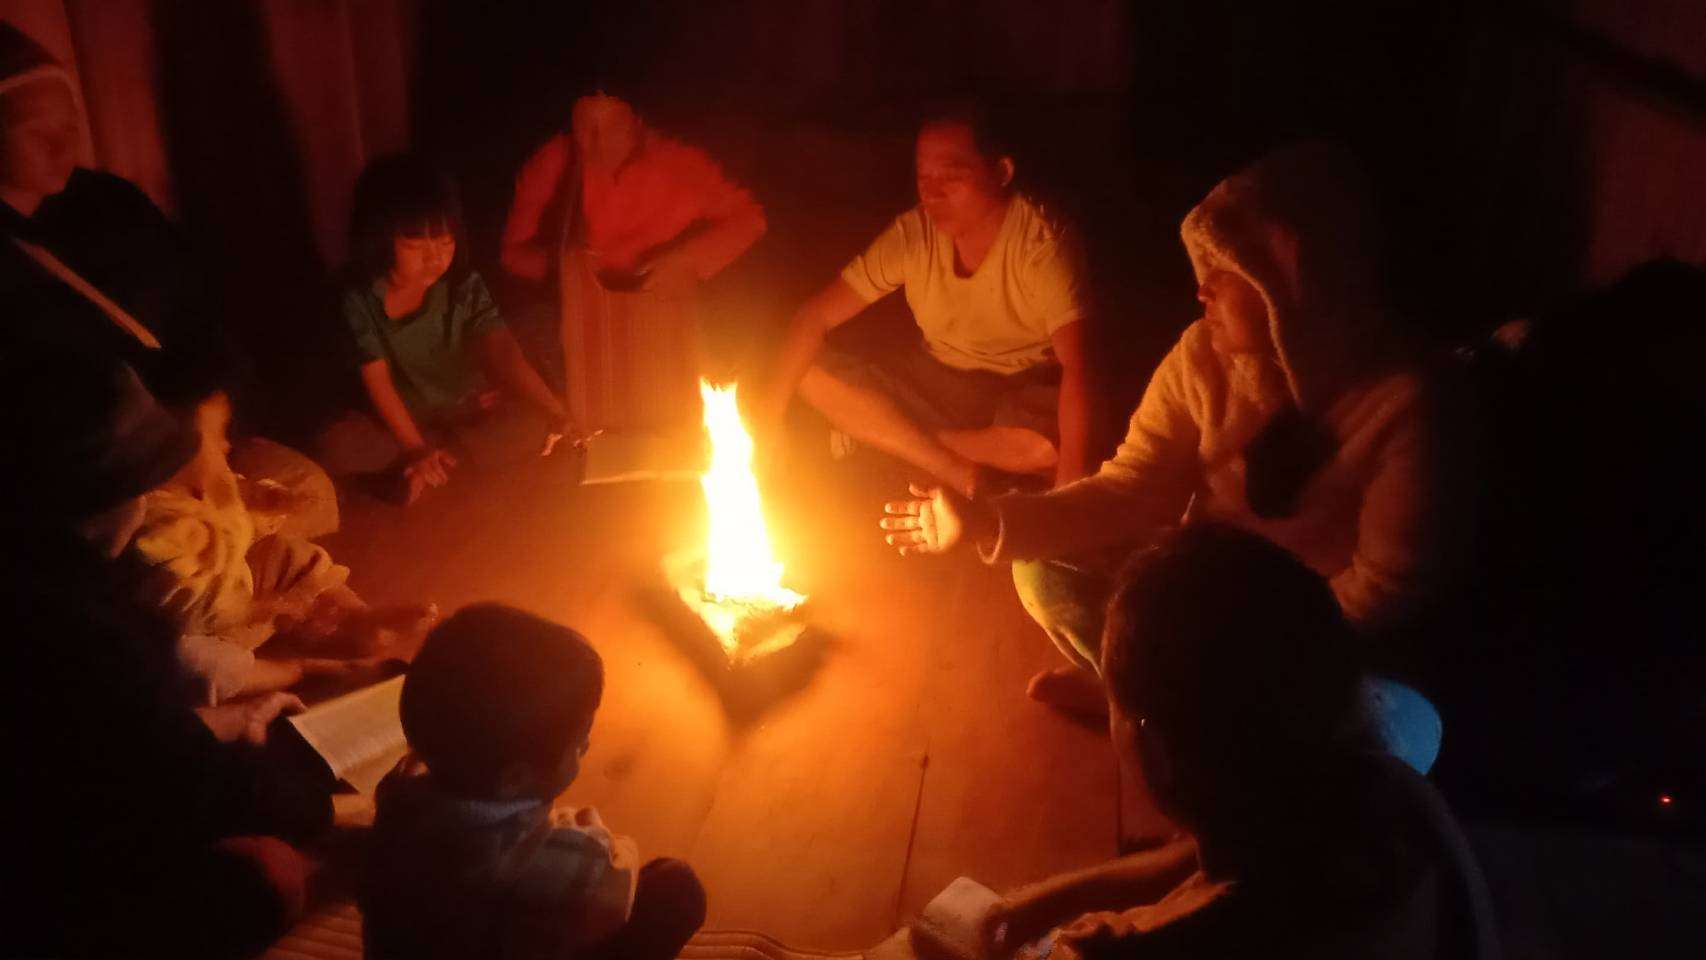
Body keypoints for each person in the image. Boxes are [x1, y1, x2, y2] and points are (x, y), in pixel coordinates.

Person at [881, 143, 1458, 739]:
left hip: (1309, 630)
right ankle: (1146, 694)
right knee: (1044, 570)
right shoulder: (1202, 359)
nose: (1201, 290)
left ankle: (1168, 705)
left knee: (1398, 727)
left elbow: (1385, 585)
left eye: (1226, 272)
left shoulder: (1401, 401)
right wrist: (984, 524)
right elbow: (1133, 488)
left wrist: (1253, 642)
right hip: (1201, 595)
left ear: (1293, 284)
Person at [983, 524, 1493, 959]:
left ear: (1153, 750)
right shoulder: (1394, 794)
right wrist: (1042, 902)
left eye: (1114, 698)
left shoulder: (1134, 948)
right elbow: (1211, 852)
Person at [3, 352, 333, 959]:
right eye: (139, 483)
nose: (148, 496)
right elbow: (164, 776)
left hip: (98, 790)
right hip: (62, 874)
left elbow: (138, 735)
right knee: (277, 862)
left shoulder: (64, 583)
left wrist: (232, 718)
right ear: (98, 502)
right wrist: (306, 794)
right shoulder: (80, 628)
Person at [1, 21, 340, 539]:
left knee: (311, 494)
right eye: (35, 131)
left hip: (206, 441)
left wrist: (213, 409)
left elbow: (199, 310)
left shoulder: (111, 204)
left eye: (71, 121)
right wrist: (171, 454)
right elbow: (56, 426)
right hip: (118, 492)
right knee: (177, 563)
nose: (63, 143)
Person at [761, 103, 1098, 497]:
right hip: (939, 379)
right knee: (810, 374)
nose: (931, 192)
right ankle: (962, 474)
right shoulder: (914, 235)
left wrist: (1070, 500)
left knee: (1045, 445)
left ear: (1002, 172)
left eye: (952, 177)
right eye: (924, 177)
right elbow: (813, 317)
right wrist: (765, 422)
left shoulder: (1041, 244)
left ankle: (889, 439)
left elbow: (1081, 367)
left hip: (1023, 388)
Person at [363, 604, 707, 960]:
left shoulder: (396, 799)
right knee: (677, 889)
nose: (587, 745)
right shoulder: (557, 860)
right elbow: (612, 903)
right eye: (579, 740)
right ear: (514, 779)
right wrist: (601, 840)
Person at [122, 390, 437, 706]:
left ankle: (360, 619)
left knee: (290, 554)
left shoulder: (205, 482)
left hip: (235, 578)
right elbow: (193, 607)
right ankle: (296, 667)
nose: (227, 446)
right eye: (218, 438)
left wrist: (267, 500)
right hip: (207, 620)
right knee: (210, 662)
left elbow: (240, 496)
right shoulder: (167, 530)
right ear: (178, 453)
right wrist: (261, 608)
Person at [501, 93, 766, 434]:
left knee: (717, 367)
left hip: (662, 310)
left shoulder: (677, 165)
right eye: (586, 128)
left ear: (637, 123)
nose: (598, 142)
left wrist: (686, 259)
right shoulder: (555, 162)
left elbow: (749, 220)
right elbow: (513, 254)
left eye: (613, 127)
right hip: (581, 317)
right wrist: (566, 265)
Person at [318, 154, 576, 504]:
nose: (435, 258)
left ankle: (429, 468)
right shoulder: (360, 299)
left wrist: (556, 411)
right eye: (417, 246)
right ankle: (430, 463)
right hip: (403, 421)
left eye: (444, 243)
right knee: (336, 443)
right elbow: (377, 381)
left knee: (532, 416)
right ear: (379, 238)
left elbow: (503, 349)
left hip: (466, 407)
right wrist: (415, 447)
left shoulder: (462, 286)